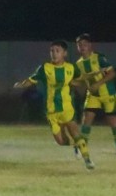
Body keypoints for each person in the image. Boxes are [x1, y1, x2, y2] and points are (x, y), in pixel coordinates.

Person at [14, 40, 94, 170]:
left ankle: (87, 160)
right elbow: (31, 80)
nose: (54, 54)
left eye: (57, 51)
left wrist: (83, 83)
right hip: (51, 111)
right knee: (61, 141)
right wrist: (21, 85)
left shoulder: (71, 68)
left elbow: (79, 80)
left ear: (64, 53)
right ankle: (76, 145)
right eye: (52, 51)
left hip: (66, 107)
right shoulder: (45, 68)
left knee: (74, 131)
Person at [74, 34, 116, 155]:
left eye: (85, 44)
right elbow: (82, 81)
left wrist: (98, 84)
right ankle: (82, 148)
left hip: (108, 93)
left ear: (90, 45)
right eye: (80, 45)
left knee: (113, 120)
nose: (82, 47)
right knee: (86, 119)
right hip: (93, 95)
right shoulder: (79, 64)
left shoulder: (99, 58)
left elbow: (112, 73)